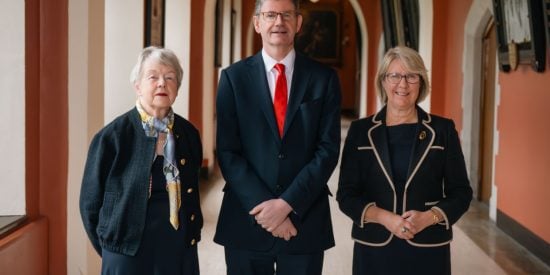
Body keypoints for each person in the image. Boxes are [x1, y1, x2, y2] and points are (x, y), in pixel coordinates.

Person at [213, 0, 342, 274]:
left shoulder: (324, 79)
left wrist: (287, 204)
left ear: (298, 23)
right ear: (257, 23)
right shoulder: (233, 79)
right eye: (270, 15)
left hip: (303, 219)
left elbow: (328, 150)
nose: (278, 22)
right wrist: (266, 211)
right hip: (246, 219)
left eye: (286, 15)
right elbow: (227, 152)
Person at [336, 46, 473, 275]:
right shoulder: (361, 131)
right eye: (395, 76)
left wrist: (430, 218)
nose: (403, 84)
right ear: (383, 81)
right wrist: (384, 217)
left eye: (411, 76)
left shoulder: (443, 130)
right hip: (374, 249)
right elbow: (346, 195)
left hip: (428, 247)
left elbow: (461, 192)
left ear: (421, 82)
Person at [80, 46, 203, 275]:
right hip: (127, 250)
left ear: (177, 87)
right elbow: (89, 204)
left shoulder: (188, 134)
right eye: (153, 77)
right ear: (137, 86)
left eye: (170, 77)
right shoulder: (111, 137)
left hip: (178, 246)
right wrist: (112, 248)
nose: (162, 84)